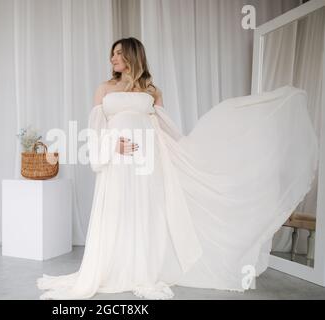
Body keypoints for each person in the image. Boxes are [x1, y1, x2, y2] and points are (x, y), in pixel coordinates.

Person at [37, 37, 318, 299]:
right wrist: (111, 145)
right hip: (116, 160)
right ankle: (113, 265)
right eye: (112, 54)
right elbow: (96, 129)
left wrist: (187, 150)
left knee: (145, 211)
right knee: (117, 208)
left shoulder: (152, 91)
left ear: (133, 56)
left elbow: (164, 128)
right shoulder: (104, 88)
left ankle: (141, 267)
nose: (113, 58)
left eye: (119, 53)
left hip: (148, 160)